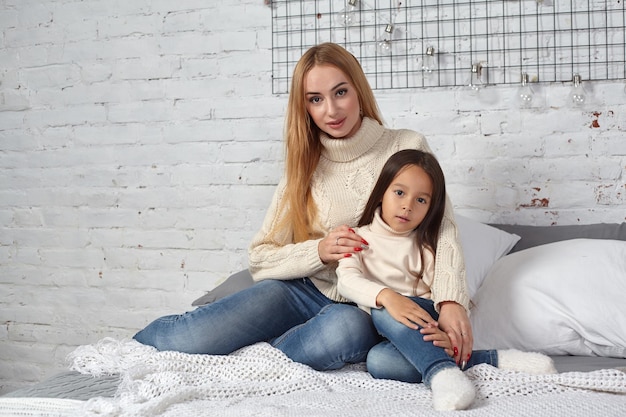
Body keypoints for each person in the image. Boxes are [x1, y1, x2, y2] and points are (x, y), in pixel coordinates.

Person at [133, 42, 472, 371]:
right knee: (191, 336)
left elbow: (443, 227)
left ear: (359, 91)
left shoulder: (405, 145)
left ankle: (262, 358)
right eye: (315, 99)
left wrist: (451, 300)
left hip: (366, 306)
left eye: (340, 92)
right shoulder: (305, 164)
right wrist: (320, 251)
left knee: (345, 329)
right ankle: (126, 352)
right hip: (306, 290)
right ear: (305, 106)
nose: (331, 110)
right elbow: (260, 257)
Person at [336, 149, 556, 411]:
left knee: (383, 310)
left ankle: (443, 375)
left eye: (421, 200)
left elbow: (443, 290)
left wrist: (441, 328)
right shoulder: (356, 237)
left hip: (426, 318)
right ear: (381, 191)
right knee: (379, 362)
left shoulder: (428, 245)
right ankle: (489, 359)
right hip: (387, 334)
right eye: (399, 193)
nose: (407, 205)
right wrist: (388, 296)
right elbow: (346, 281)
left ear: (431, 207)